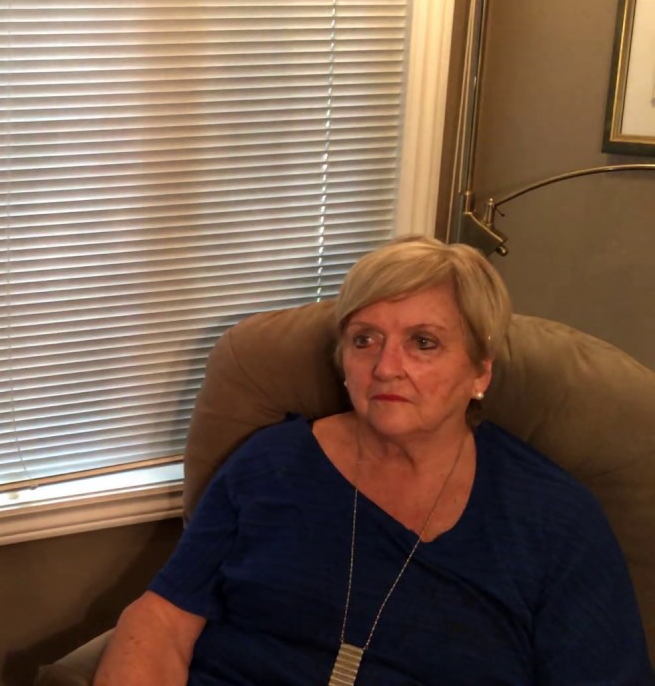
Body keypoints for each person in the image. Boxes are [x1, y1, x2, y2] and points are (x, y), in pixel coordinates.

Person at [95, 236, 654, 685]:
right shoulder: (271, 464)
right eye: (364, 340)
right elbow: (161, 618)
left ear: (479, 372)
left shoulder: (555, 521)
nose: (386, 367)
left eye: (424, 343)